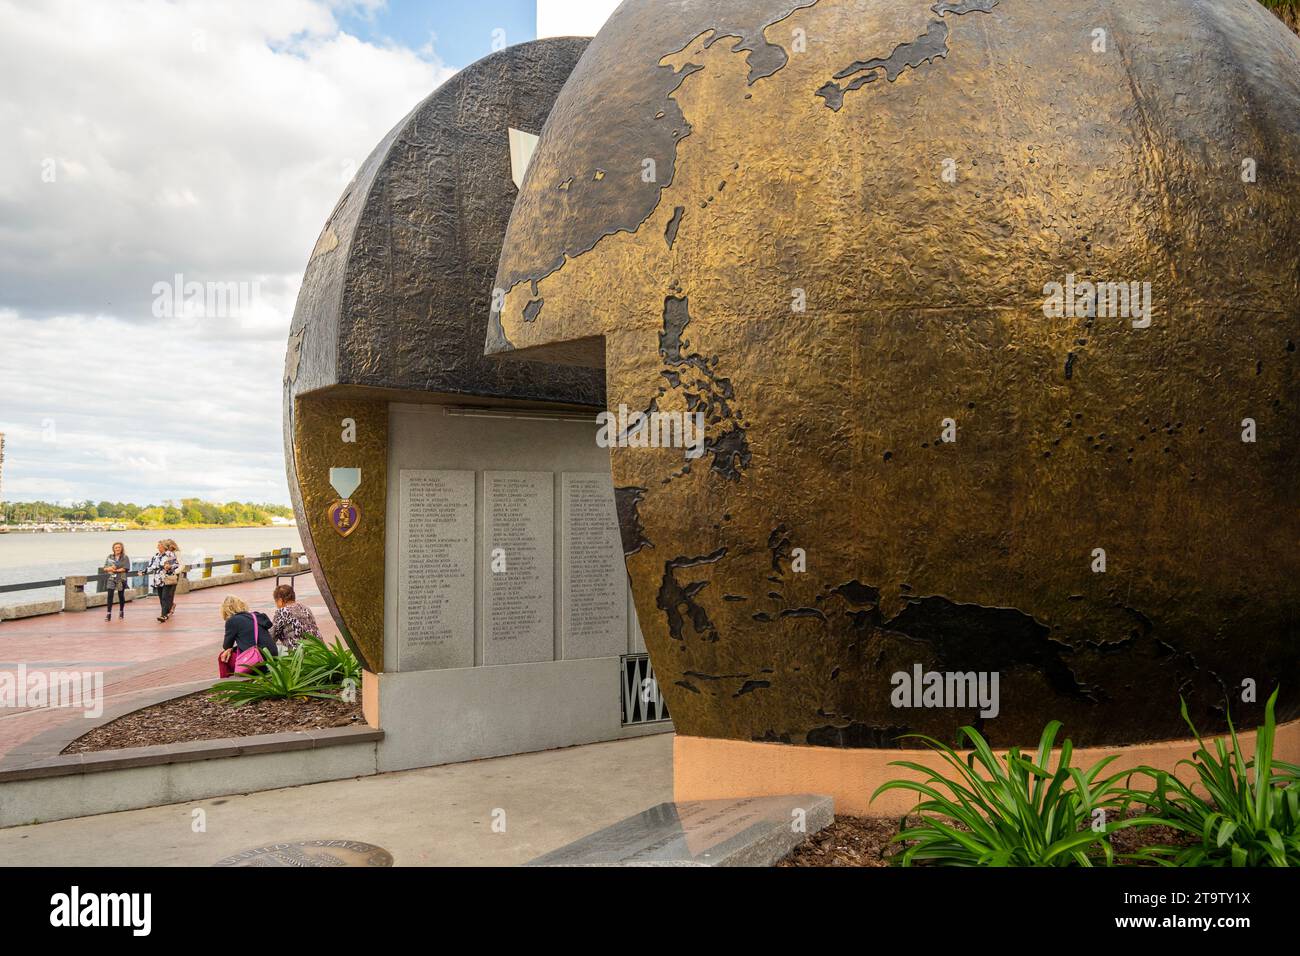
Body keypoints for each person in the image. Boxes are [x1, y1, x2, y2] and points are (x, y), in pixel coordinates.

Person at [219, 596, 277, 669]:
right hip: (273, 655)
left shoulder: (232, 621)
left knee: (223, 656)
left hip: (259, 660)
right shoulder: (255, 615)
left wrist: (229, 649)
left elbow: (226, 646)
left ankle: (231, 676)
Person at [269, 584, 319, 652]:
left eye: (276, 602)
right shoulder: (305, 608)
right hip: (319, 651)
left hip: (301, 653)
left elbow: (271, 636)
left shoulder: (282, 611)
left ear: (280, 601)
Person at [146, 538, 182, 623]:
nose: (157, 547)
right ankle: (166, 612)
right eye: (158, 545)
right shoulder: (156, 556)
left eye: (159, 545)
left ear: (163, 546)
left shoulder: (170, 554)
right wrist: (143, 571)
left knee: (165, 597)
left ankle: (163, 615)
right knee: (161, 598)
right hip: (158, 580)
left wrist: (170, 567)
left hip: (167, 578)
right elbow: (151, 566)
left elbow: (176, 564)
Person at [102, 542, 130, 621]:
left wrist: (116, 570)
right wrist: (109, 569)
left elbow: (126, 568)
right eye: (116, 548)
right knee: (110, 595)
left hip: (121, 578)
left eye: (119, 547)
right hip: (111, 578)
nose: (117, 549)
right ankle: (108, 614)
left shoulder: (125, 557)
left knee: (121, 595)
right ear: (113, 549)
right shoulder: (110, 557)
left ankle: (121, 611)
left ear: (121, 548)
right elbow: (105, 568)